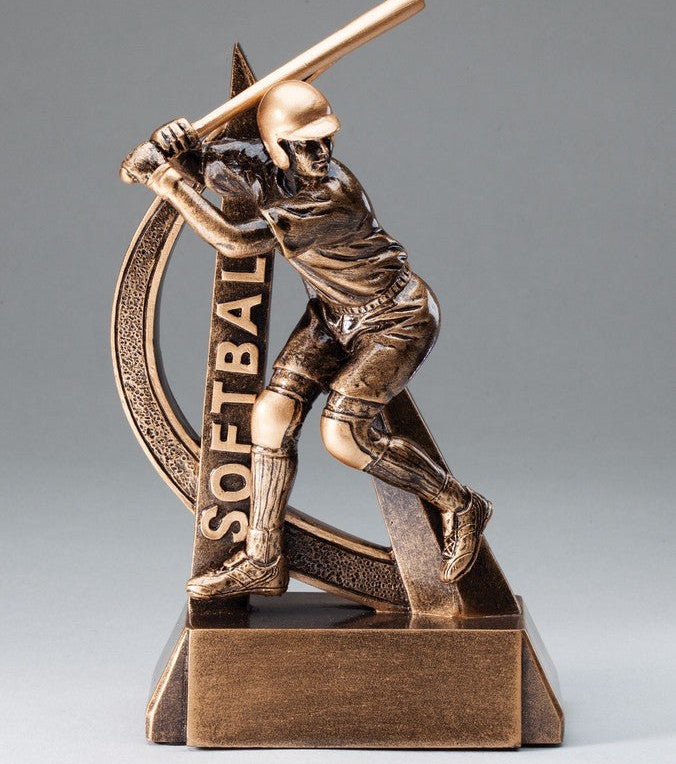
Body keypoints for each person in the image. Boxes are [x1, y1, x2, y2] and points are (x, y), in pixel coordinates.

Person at [120, 80, 492, 599]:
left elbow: (235, 240)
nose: (321, 153)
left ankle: (460, 503)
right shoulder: (260, 167)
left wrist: (166, 181)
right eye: (305, 144)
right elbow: (172, 165)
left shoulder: (332, 194)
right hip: (333, 314)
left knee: (343, 436)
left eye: (326, 140)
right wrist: (171, 146)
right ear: (276, 147)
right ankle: (263, 558)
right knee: (270, 415)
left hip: (396, 317)